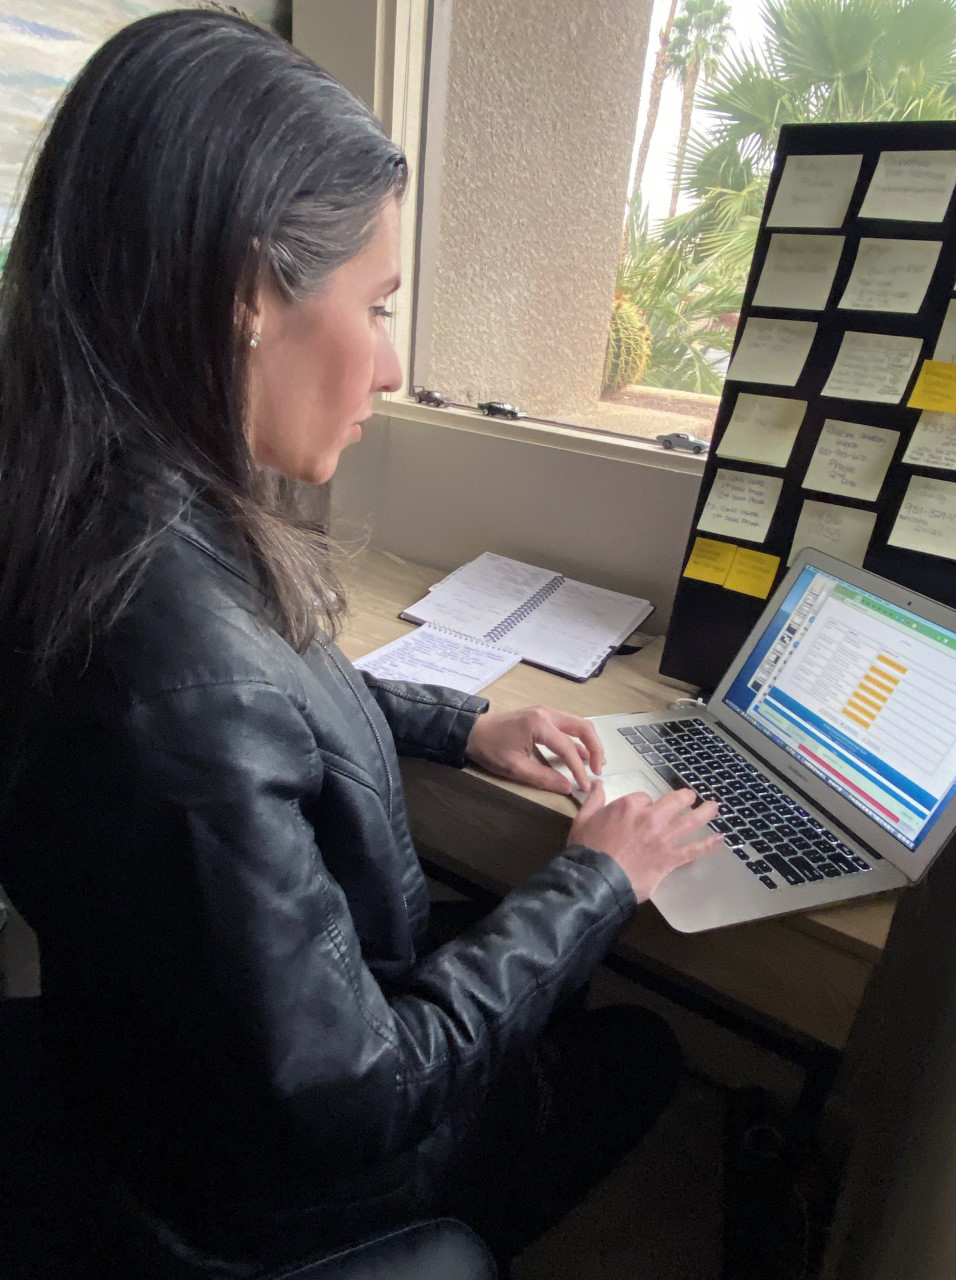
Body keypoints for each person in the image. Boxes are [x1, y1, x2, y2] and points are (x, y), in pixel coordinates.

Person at [0, 9, 722, 1274]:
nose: (390, 365)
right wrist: (596, 878)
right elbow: (367, 1089)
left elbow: (271, 687)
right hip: (297, 1190)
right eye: (378, 305)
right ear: (246, 291)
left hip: (140, 1088)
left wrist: (463, 723)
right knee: (645, 1050)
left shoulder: (94, 514)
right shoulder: (182, 669)